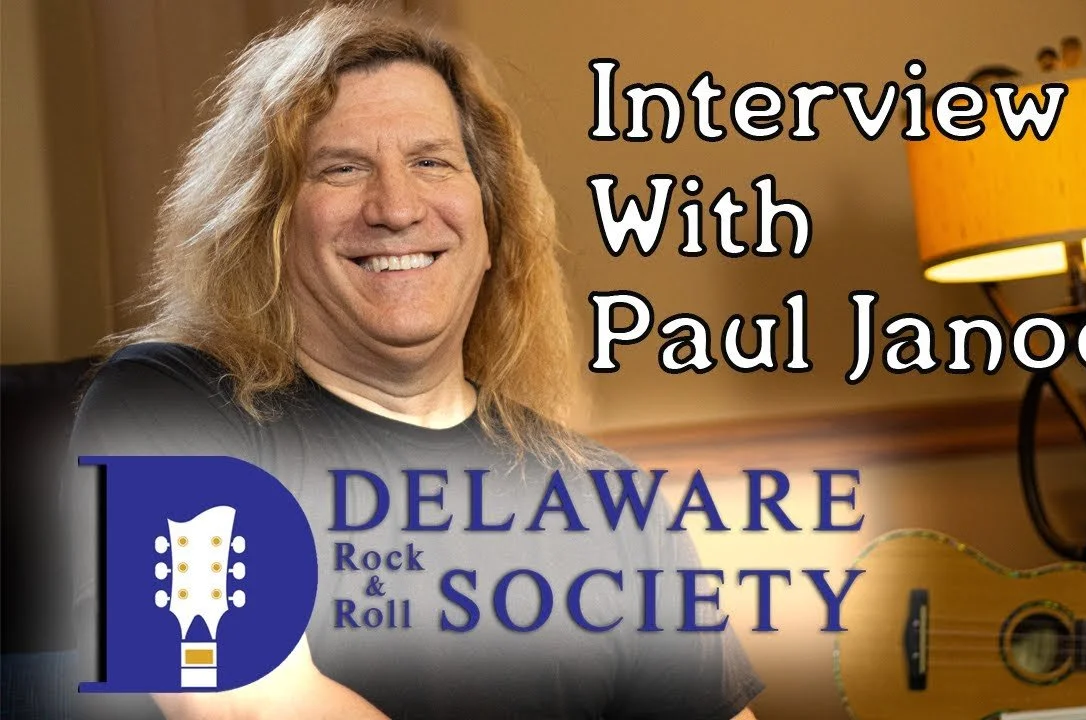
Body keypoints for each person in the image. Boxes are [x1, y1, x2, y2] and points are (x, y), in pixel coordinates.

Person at [65, 4, 763, 719]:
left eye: (431, 162)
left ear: (492, 227)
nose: (396, 208)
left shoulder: (607, 500)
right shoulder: (164, 407)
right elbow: (240, 696)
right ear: (265, 227)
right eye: (342, 169)